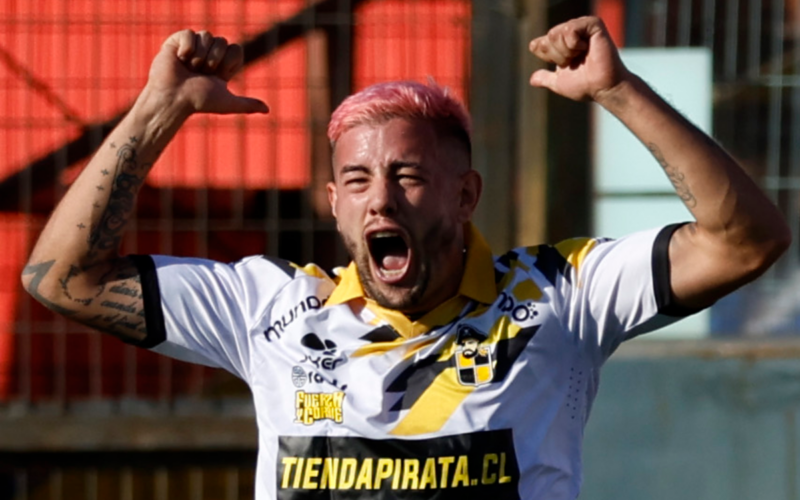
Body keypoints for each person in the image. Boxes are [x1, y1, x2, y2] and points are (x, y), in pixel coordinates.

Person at [21, 16, 790, 500]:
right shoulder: (272, 309)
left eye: (409, 176)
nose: (381, 200)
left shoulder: (562, 294)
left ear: (465, 196)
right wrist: (160, 109)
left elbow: (745, 239)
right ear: (333, 203)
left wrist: (620, 91)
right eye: (357, 180)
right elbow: (62, 277)